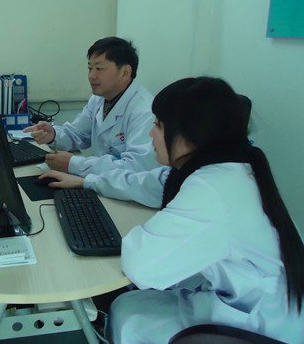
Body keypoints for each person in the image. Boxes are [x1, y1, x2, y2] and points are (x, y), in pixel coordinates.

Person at [108, 77, 304, 343]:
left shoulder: (213, 187)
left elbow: (141, 267)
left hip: (261, 328)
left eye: (158, 124)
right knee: (132, 305)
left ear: (190, 136)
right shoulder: (232, 169)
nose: (150, 133)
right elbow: (149, 185)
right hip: (252, 305)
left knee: (130, 315)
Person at [26, 37, 167, 207]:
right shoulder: (99, 99)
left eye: (99, 68)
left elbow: (136, 169)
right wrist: (53, 134)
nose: (91, 76)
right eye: (90, 68)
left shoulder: (145, 111)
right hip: (100, 187)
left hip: (130, 201)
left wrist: (75, 164)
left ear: (125, 72)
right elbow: (77, 134)